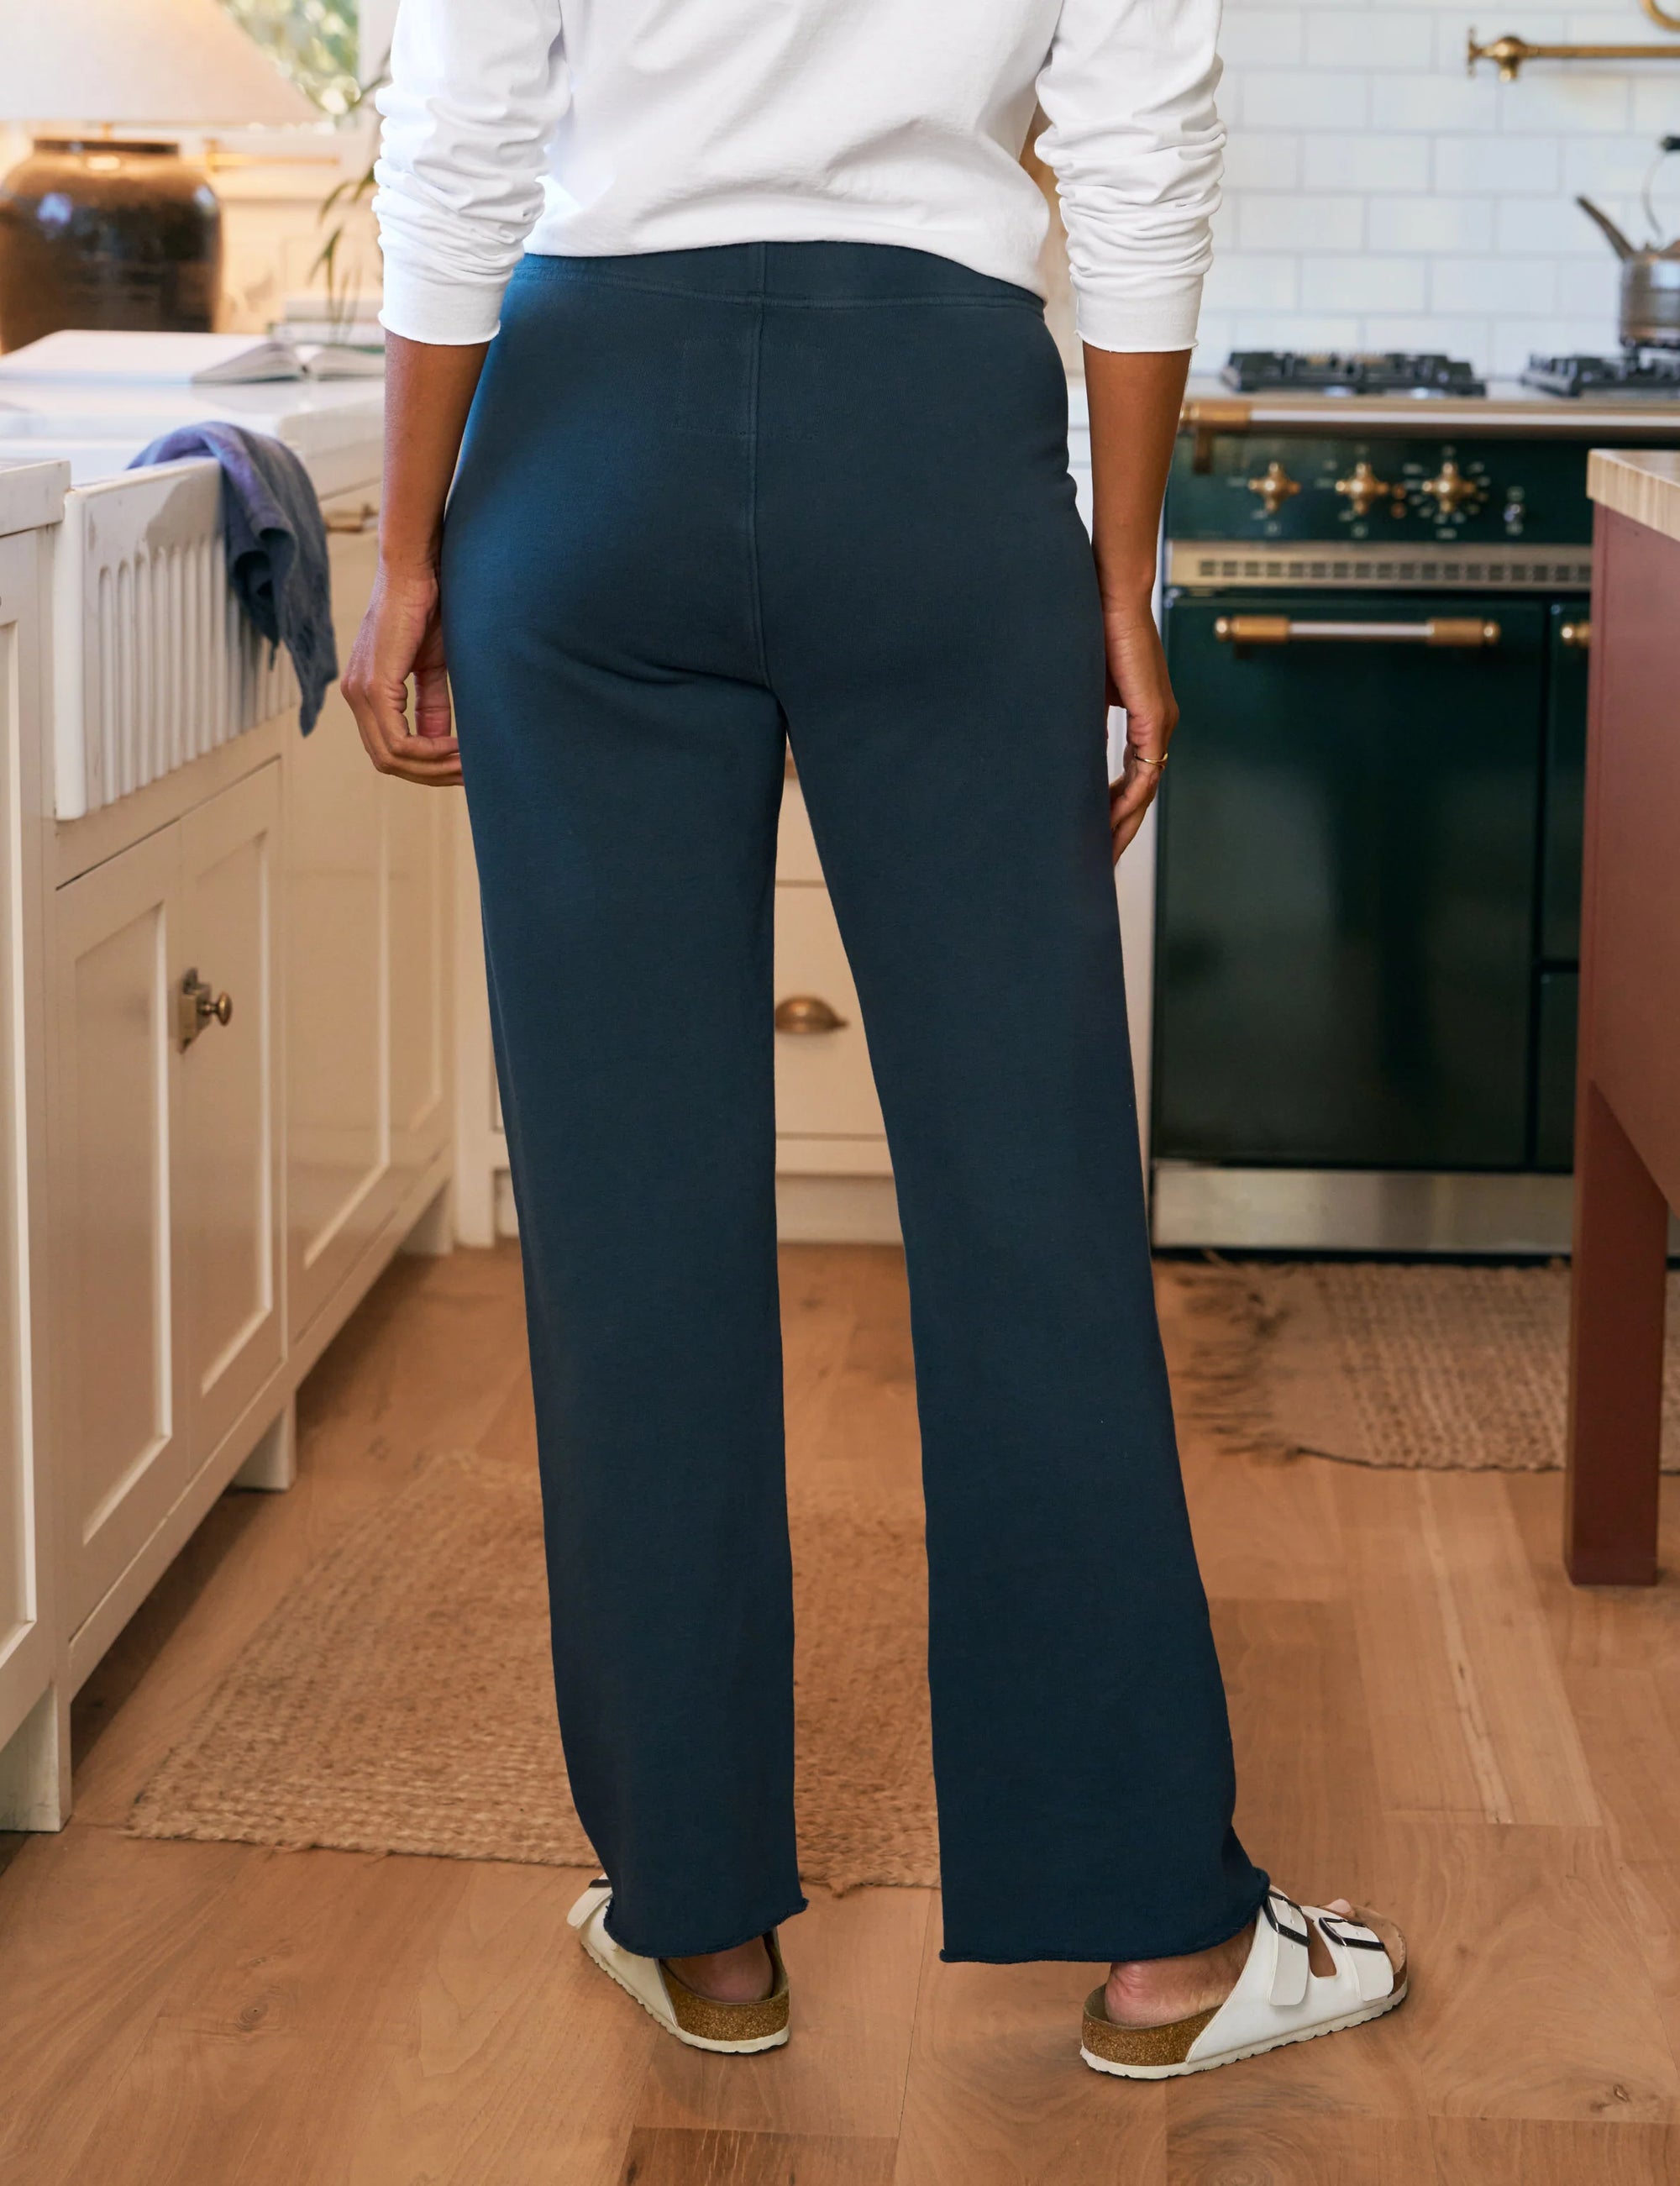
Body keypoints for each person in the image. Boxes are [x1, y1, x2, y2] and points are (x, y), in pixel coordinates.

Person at [346, 0, 1407, 2078]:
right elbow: (1136, 150)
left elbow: (459, 133)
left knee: (623, 1200)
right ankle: (1161, 1944)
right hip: (932, 446)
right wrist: (1125, 573)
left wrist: (401, 551)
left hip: (584, 433)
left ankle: (702, 1923)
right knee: (1032, 1200)